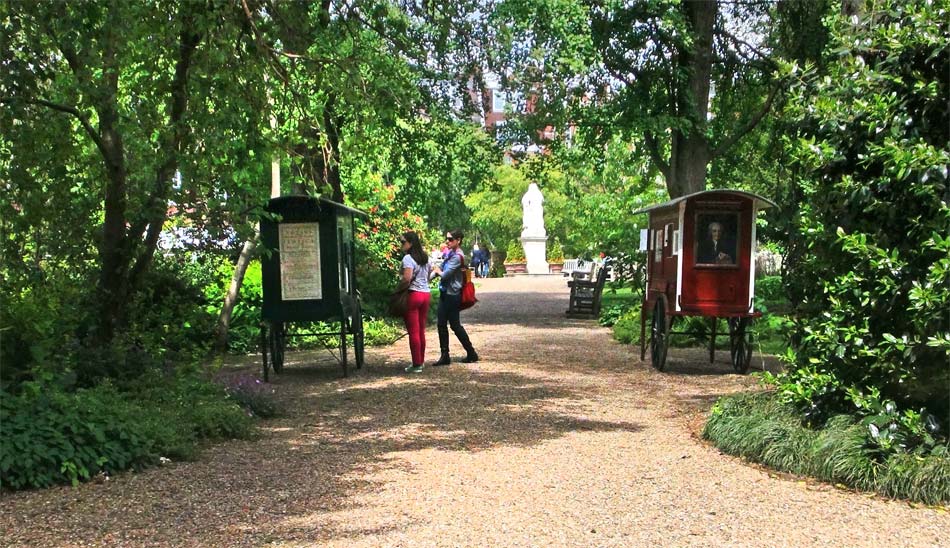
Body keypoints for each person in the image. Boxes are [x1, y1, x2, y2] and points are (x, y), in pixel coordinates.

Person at [431, 229, 478, 366]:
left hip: (453, 294)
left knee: (455, 325)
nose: (448, 241)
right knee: (442, 324)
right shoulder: (450, 253)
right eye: (447, 239)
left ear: (458, 241)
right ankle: (445, 355)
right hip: (446, 293)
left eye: (451, 239)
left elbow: (445, 274)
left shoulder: (457, 257)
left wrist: (437, 270)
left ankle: (471, 352)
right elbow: (439, 269)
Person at [399, 231, 432, 373]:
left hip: (413, 295)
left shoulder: (408, 258)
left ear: (410, 243)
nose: (401, 245)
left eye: (403, 242)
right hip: (425, 294)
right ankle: (421, 361)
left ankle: (416, 363)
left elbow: (407, 278)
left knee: (413, 331)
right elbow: (428, 277)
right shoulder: (426, 258)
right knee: (421, 330)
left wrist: (399, 291)